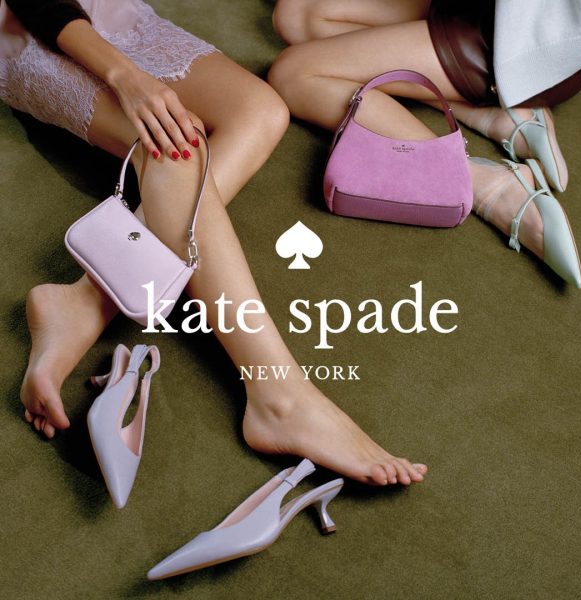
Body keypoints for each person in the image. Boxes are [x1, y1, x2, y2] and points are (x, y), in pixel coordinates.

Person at [2, 0, 427, 487]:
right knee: (174, 148)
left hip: (109, 8)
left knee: (260, 110)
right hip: (28, 20)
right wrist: (127, 77)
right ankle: (280, 396)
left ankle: (88, 300)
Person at [268, 0, 581, 287]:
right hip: (490, 12)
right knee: (297, 15)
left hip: (514, 38)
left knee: (293, 75)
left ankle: (487, 184)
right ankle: (496, 112)